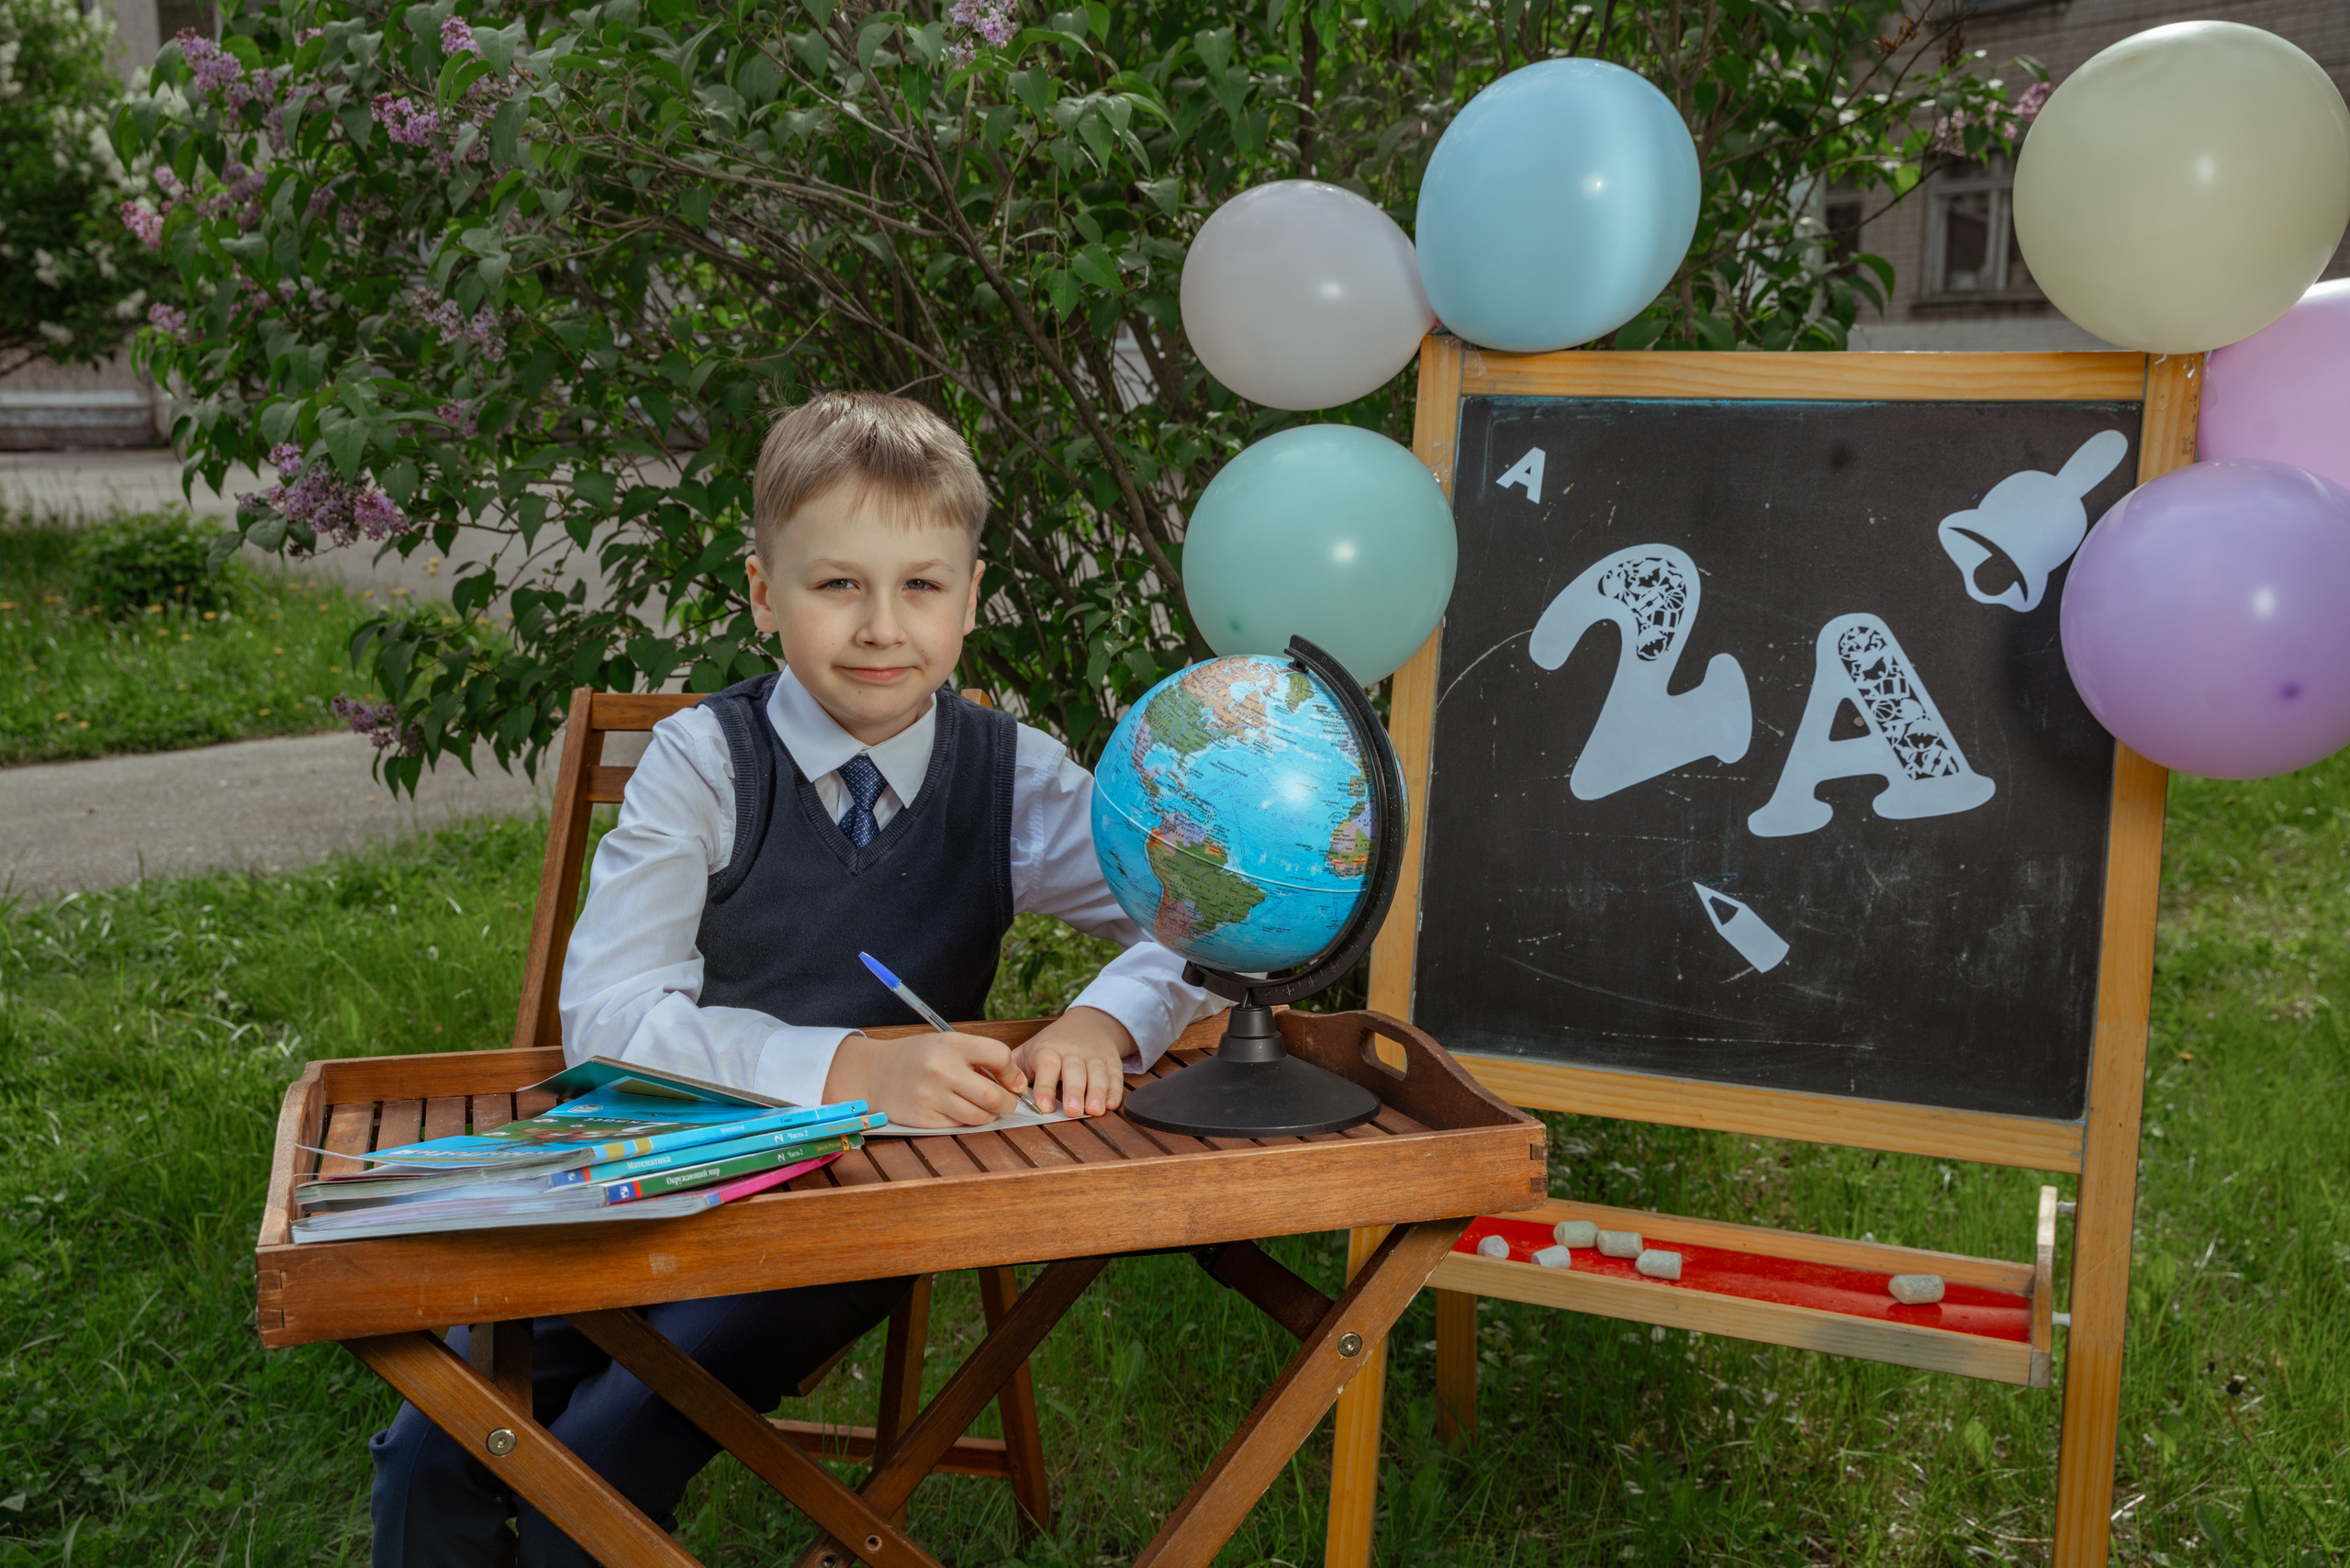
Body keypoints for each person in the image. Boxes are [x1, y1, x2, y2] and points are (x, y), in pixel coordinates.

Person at [369, 391, 1220, 1565]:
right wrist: (851, 1062)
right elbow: (610, 1023)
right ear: (766, 593)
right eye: (837, 585)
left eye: (921, 585)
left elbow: (1214, 918)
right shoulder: (702, 760)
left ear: (971, 598)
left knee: (595, 1470)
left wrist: (1103, 1016)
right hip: (634, 1159)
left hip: (844, 1207)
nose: (882, 627)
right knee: (432, 1446)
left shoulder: (1007, 778)